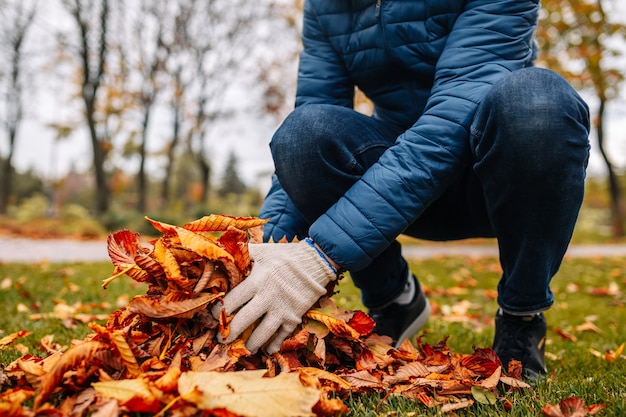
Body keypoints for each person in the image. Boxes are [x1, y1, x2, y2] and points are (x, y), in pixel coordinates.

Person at [213, 0, 590, 381]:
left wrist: (320, 256)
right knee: (301, 135)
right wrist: (260, 255)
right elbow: (310, 119)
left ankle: (520, 317)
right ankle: (394, 300)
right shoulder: (326, 7)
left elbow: (452, 118)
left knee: (537, 101)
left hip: (495, 181)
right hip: (401, 191)